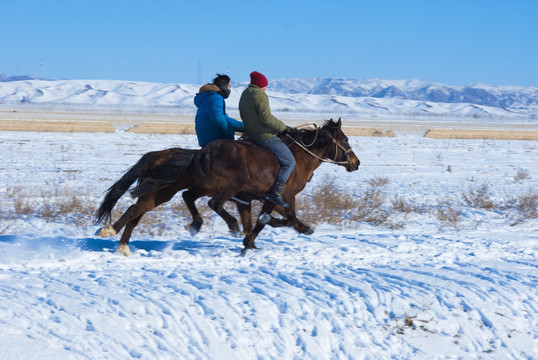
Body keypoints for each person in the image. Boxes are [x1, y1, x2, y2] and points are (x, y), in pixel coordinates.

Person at [239, 71, 295, 208]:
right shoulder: (259, 95)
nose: (265, 89)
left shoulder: (245, 94)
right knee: (289, 162)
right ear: (260, 85)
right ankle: (276, 193)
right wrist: (283, 128)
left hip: (250, 135)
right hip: (263, 136)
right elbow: (266, 118)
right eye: (265, 86)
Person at [194, 74, 244, 147]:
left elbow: (226, 119)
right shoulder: (215, 98)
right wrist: (229, 132)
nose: (229, 90)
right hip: (214, 142)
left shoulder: (209, 97)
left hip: (208, 140)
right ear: (224, 87)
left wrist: (244, 127)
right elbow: (218, 118)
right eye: (229, 87)